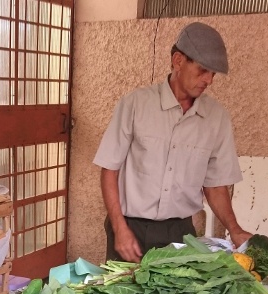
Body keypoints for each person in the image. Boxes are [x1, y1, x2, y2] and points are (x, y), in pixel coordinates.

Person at [93, 21, 252, 263]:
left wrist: (235, 228)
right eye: (202, 70)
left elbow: (216, 185)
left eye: (213, 74)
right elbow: (109, 170)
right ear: (178, 61)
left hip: (180, 234)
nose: (208, 80)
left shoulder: (216, 119)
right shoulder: (135, 105)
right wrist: (119, 228)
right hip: (129, 228)